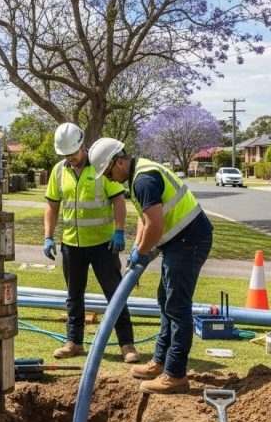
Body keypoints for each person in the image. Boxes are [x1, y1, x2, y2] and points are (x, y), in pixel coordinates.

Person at [88, 138, 213, 394]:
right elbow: (145, 221)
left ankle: (175, 374)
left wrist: (143, 254)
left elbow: (155, 225)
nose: (110, 178)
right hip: (180, 241)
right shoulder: (138, 175)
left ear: (119, 161)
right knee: (165, 300)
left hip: (189, 241)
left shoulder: (143, 179)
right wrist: (138, 248)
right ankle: (160, 361)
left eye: (109, 172)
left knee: (177, 307)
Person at [43, 123, 140, 364]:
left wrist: (119, 231)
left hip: (103, 245)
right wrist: (47, 236)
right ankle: (74, 342)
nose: (70, 158)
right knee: (74, 296)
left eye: (73, 154)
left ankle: (126, 344)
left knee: (114, 294)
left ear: (82, 146)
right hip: (71, 245)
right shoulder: (58, 171)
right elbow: (52, 206)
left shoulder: (100, 167)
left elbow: (118, 201)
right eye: (65, 155)